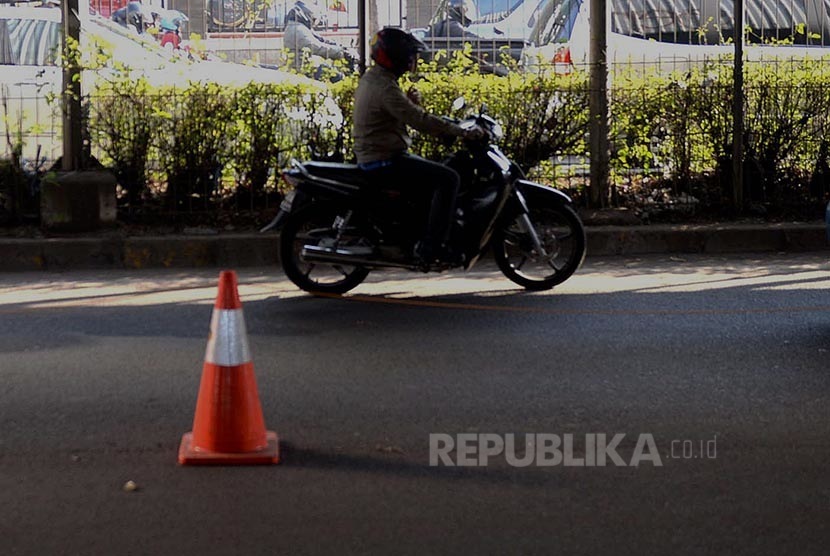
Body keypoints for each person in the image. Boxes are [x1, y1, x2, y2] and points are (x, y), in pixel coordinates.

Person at [352, 27, 485, 265]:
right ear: (396, 57)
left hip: (377, 154)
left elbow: (397, 112)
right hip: (384, 159)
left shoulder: (376, 79)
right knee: (449, 179)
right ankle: (432, 248)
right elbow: (419, 120)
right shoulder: (385, 87)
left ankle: (422, 235)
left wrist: (409, 103)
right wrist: (460, 131)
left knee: (437, 175)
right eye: (409, 55)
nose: (412, 61)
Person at [283, 0, 355, 80]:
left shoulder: (298, 27)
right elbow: (317, 47)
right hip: (303, 68)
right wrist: (340, 52)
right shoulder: (298, 30)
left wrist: (338, 46)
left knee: (329, 69)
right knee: (337, 76)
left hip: (305, 64)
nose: (313, 22)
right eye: (313, 19)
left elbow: (320, 39)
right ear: (306, 16)